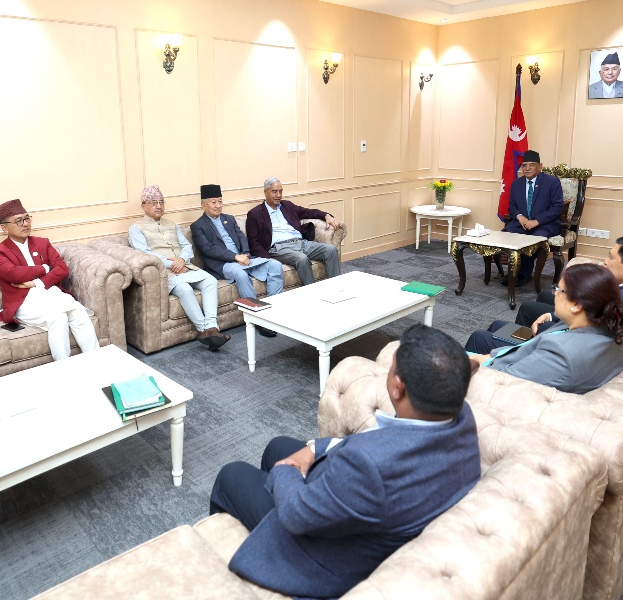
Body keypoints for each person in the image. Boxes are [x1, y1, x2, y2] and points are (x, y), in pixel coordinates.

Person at [209, 324, 481, 599]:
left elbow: (297, 514)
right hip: (367, 505)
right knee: (276, 446)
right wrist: (314, 449)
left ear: (397, 388)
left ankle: (219, 563)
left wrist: (285, 471)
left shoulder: (368, 465)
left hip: (323, 553)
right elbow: (380, 443)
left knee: (232, 475)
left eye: (390, 370)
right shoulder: (458, 415)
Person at [472, 235, 623, 355]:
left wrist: (546, 327)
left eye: (611, 257)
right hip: (568, 344)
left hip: (556, 350)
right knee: (498, 325)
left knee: (479, 337)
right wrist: (551, 315)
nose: (605, 261)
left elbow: (581, 337)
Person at [469, 263, 623, 394]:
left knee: (468, 345)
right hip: (517, 358)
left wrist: (477, 362)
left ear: (577, 305)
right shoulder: (609, 328)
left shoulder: (561, 354)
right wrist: (491, 355)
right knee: (488, 333)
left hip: (496, 384)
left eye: (559, 290)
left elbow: (504, 380)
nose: (554, 294)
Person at [0, 199, 99, 361]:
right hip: (23, 301)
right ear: (4, 227)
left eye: (27, 218)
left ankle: (96, 361)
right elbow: (13, 274)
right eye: (18, 221)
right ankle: (64, 367)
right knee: (57, 317)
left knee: (78, 312)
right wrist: (45, 268)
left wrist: (36, 282)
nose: (25, 224)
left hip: (49, 292)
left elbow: (62, 269)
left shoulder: (42, 243)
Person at [129, 185, 229, 350]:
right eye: (154, 203)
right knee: (184, 289)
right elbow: (144, 254)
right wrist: (173, 264)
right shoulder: (136, 228)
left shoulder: (172, 225)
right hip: (164, 272)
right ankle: (205, 330)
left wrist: (182, 259)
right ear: (143, 206)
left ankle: (212, 327)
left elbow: (186, 246)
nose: (159, 206)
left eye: (161, 202)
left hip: (186, 266)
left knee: (211, 281)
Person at [190, 184, 283, 338]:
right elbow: (208, 249)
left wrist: (245, 254)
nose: (218, 205)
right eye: (213, 202)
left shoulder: (229, 219)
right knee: (240, 274)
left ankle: (272, 313)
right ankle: (258, 319)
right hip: (223, 265)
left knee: (275, 265)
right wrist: (235, 257)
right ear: (203, 205)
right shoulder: (198, 226)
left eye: (220, 201)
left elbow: (242, 238)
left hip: (243, 259)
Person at [245, 178, 342, 286]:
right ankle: (313, 291)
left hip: (301, 242)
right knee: (302, 259)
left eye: (280, 191)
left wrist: (326, 215)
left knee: (331, 249)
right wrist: (269, 259)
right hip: (280, 248)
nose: (278, 195)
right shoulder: (255, 214)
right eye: (274, 192)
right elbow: (253, 243)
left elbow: (308, 212)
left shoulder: (287, 206)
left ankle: (336, 288)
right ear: (265, 192)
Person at [501, 150, 564, 286]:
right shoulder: (516, 183)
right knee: (505, 237)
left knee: (533, 241)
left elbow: (557, 207)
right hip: (521, 224)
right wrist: (520, 217)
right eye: (524, 165)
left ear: (540, 166)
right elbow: (512, 206)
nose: (527, 168)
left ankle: (523, 274)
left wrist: (537, 221)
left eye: (532, 165)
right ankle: (511, 270)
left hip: (545, 225)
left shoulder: (552, 182)